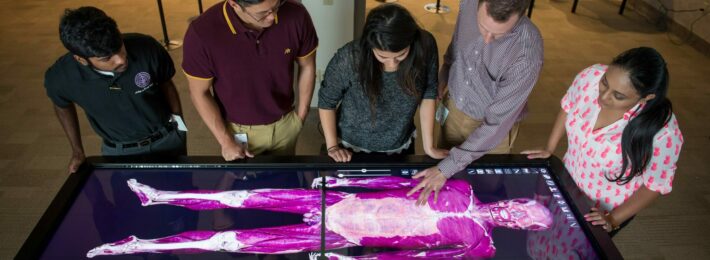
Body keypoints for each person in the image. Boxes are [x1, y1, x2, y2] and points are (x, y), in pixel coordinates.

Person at [87, 176, 552, 258]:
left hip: (339, 235)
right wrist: (345, 186)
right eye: (521, 206)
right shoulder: (462, 188)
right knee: (245, 199)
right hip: (334, 205)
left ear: (520, 227)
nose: (512, 212)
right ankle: (158, 195)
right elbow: (402, 186)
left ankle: (141, 245)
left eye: (520, 218)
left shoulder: (480, 245)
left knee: (229, 243)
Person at [521, 47, 683, 235]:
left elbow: (654, 185)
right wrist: (550, 147)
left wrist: (613, 219)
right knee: (546, 234)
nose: (603, 97)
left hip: (605, 209)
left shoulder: (663, 133)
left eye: (618, 96)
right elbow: (569, 105)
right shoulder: (590, 77)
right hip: (568, 182)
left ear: (646, 97)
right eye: (605, 83)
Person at [408, 0, 543, 205]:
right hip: (454, 105)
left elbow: (496, 124)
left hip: (490, 129)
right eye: (482, 26)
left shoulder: (527, 53)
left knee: (481, 191)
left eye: (498, 35)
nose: (487, 39)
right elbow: (457, 43)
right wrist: (445, 73)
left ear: (521, 15)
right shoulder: (469, 3)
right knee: (446, 185)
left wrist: (446, 168)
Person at [45, 6, 186, 173]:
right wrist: (77, 150)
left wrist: (180, 126)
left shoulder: (148, 47)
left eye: (119, 46)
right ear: (81, 59)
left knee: (181, 192)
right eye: (106, 58)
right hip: (119, 151)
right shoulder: (61, 76)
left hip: (168, 139)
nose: (121, 59)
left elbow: (166, 84)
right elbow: (61, 104)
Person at [183, 0, 318, 160]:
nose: (273, 17)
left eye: (276, 7)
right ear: (234, 4)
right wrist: (225, 141)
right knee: (244, 182)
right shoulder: (202, 33)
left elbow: (308, 66)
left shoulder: (296, 14)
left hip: (286, 124)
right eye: (263, 13)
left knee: (285, 181)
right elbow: (199, 93)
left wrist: (301, 116)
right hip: (238, 131)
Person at [318, 4, 448, 162]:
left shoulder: (425, 45)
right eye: (382, 57)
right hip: (350, 147)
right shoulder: (350, 58)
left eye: (400, 56)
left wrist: (429, 147)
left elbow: (428, 92)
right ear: (370, 45)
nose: (392, 64)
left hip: (400, 144)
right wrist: (332, 147)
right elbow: (327, 101)